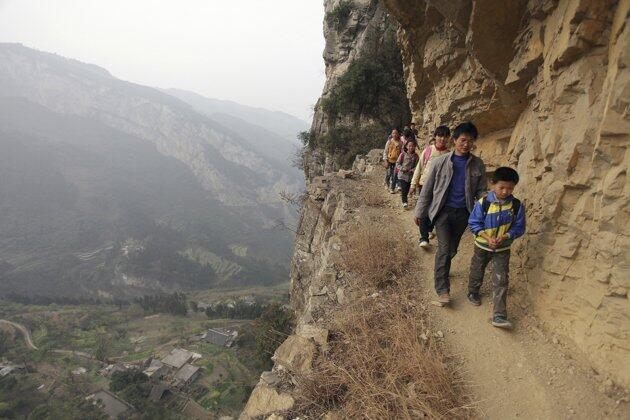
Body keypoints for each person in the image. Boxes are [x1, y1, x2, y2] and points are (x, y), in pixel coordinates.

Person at [414, 122, 486, 306]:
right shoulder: (440, 162)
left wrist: (487, 206)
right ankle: (442, 290)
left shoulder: (478, 164)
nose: (466, 144)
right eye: (462, 140)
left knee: (452, 250)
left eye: (470, 141)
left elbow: (481, 191)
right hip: (443, 212)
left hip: (464, 214)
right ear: (454, 140)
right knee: (445, 250)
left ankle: (442, 267)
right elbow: (427, 190)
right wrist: (420, 212)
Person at [467, 167, 525, 329]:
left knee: (501, 279)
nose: (506, 191)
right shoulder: (483, 203)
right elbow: (473, 223)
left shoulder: (516, 205)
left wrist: (505, 236)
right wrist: (487, 238)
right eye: (502, 187)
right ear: (492, 184)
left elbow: (519, 228)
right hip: (482, 245)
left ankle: (499, 315)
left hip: (502, 248)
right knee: (478, 268)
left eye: (510, 188)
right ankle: (473, 291)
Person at [410, 126, 451, 247]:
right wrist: (413, 184)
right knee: (423, 210)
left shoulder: (449, 155)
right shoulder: (428, 150)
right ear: (435, 137)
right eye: (440, 135)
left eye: (445, 136)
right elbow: (419, 167)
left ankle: (428, 229)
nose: (442, 139)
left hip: (440, 189)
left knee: (435, 210)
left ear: (448, 138)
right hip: (424, 185)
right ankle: (423, 238)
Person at [396, 140, 419, 208]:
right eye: (409, 146)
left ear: (415, 147)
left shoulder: (416, 156)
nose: (411, 147)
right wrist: (403, 168)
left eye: (413, 146)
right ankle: (404, 202)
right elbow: (398, 164)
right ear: (406, 146)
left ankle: (406, 198)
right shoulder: (402, 154)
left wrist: (413, 170)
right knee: (404, 189)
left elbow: (417, 166)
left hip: (411, 176)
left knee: (408, 189)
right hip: (403, 176)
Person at [382, 128, 402, 193]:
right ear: (391, 134)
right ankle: (386, 184)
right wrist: (385, 160)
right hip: (389, 160)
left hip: (397, 162)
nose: (395, 134)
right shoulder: (389, 142)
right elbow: (385, 151)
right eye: (393, 133)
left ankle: (392, 188)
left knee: (395, 174)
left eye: (396, 133)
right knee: (388, 173)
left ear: (398, 134)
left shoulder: (401, 143)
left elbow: (402, 152)